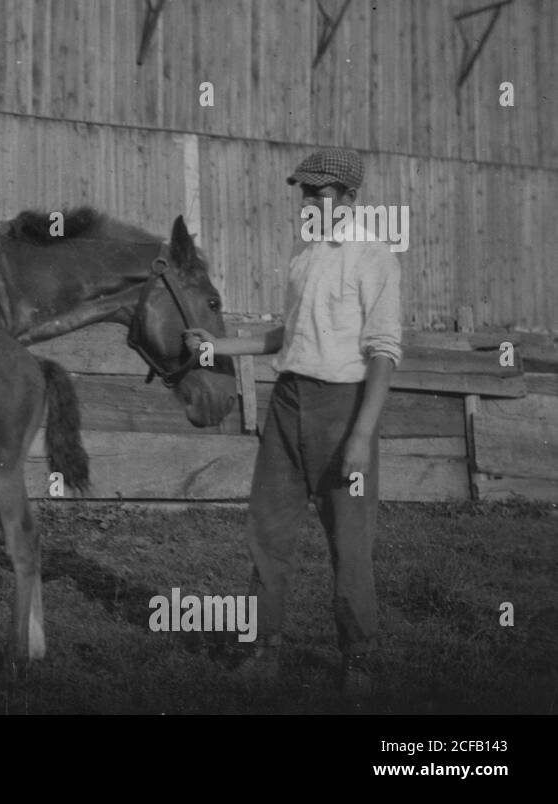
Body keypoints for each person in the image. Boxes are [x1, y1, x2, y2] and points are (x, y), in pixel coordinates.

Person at [183, 147, 402, 699]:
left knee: (349, 542)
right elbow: (286, 336)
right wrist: (218, 347)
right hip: (287, 403)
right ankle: (264, 649)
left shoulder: (374, 257)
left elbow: (383, 354)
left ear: (350, 199)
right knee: (268, 530)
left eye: (320, 192)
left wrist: (360, 436)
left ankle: (361, 660)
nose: (309, 202)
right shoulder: (303, 257)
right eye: (304, 192)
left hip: (343, 408)